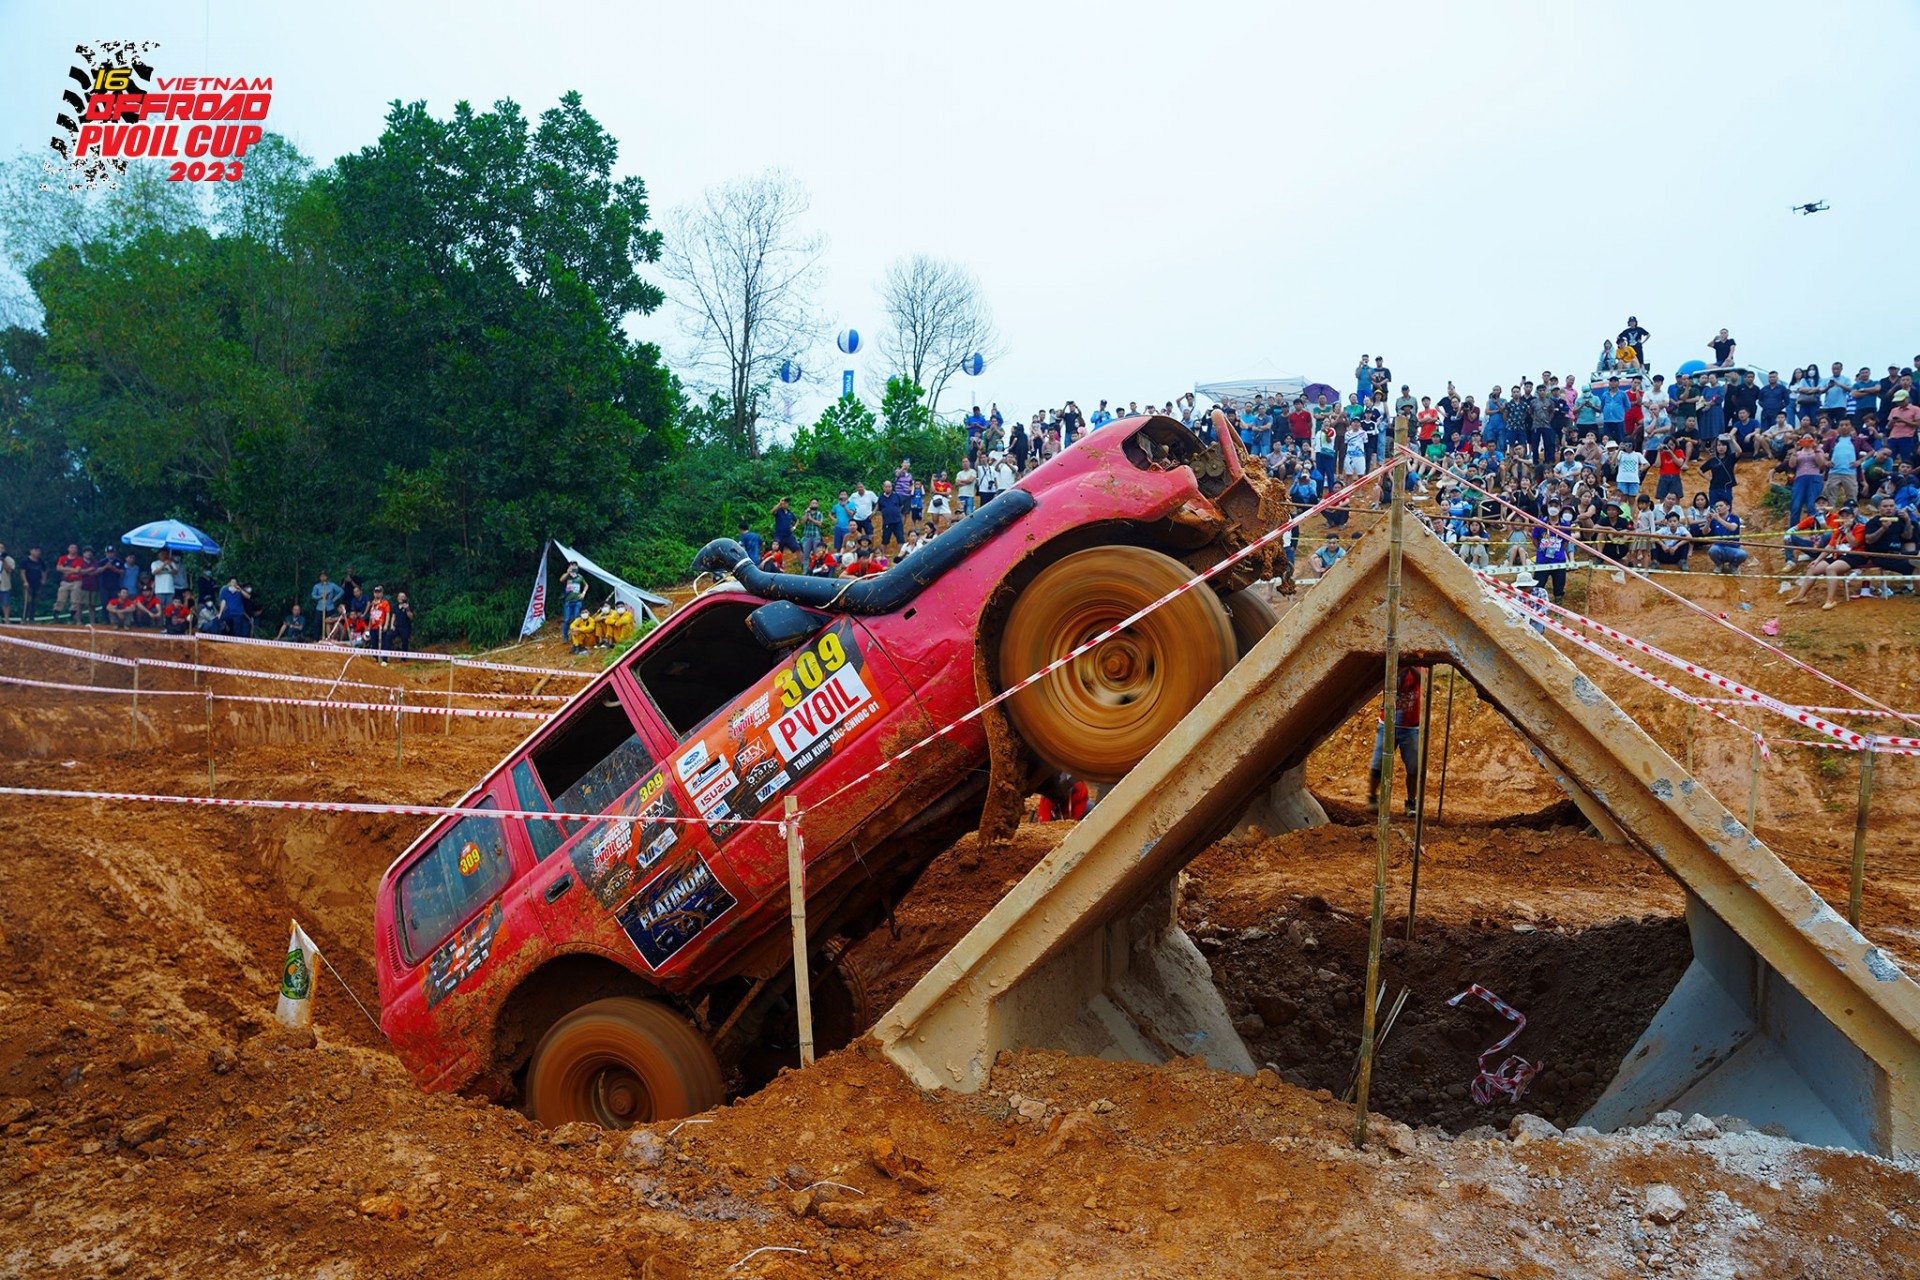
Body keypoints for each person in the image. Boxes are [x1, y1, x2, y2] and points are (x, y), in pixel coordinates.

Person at [1369, 666, 1423, 818]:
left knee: (1413, 767)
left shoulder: (1419, 666)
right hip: (1387, 722)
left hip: (1411, 726)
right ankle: (1372, 797)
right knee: (1378, 764)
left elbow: (1422, 680)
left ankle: (1411, 801)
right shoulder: (1390, 665)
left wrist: (1409, 665)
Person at [1705, 503, 1748, 575]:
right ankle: (1719, 564)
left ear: (1728, 507)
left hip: (1733, 548)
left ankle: (1733, 566)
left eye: (1721, 506)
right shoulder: (1714, 520)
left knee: (1742, 554)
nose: (1718, 508)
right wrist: (1708, 522)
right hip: (1719, 547)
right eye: (1717, 506)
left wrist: (1718, 519)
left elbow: (1732, 528)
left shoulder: (1734, 517)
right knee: (1712, 550)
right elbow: (1705, 532)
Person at [876, 479, 906, 553]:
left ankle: (901, 556)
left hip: (897, 521)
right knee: (885, 540)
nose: (888, 488)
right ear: (883, 487)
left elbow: (901, 506)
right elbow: (879, 508)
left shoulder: (897, 496)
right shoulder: (881, 498)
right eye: (886, 487)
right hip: (887, 522)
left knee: (900, 539)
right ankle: (882, 556)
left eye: (889, 487)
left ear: (892, 487)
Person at [771, 497, 799, 567]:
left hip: (788, 535)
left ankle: (802, 566)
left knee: (797, 548)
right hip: (779, 535)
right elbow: (772, 511)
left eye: (786, 503)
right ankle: (777, 566)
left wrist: (794, 527)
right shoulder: (779, 511)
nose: (785, 504)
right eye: (783, 503)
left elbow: (797, 520)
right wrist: (779, 503)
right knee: (777, 551)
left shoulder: (790, 513)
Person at [560, 562, 585, 637]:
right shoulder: (567, 576)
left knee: (576, 619)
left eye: (575, 566)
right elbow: (561, 580)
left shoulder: (580, 577)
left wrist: (583, 593)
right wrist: (568, 572)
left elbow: (586, 585)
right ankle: (565, 637)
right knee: (567, 619)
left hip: (577, 601)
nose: (574, 567)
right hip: (568, 601)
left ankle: (575, 636)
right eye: (572, 566)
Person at [800, 498, 824, 562]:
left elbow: (820, 524)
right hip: (807, 535)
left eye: (816, 503)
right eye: (813, 503)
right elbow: (803, 521)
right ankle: (806, 568)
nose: (814, 504)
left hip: (816, 536)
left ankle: (816, 567)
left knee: (817, 553)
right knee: (806, 553)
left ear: (817, 505)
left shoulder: (819, 513)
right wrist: (807, 513)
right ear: (810, 504)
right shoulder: (806, 512)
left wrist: (811, 519)